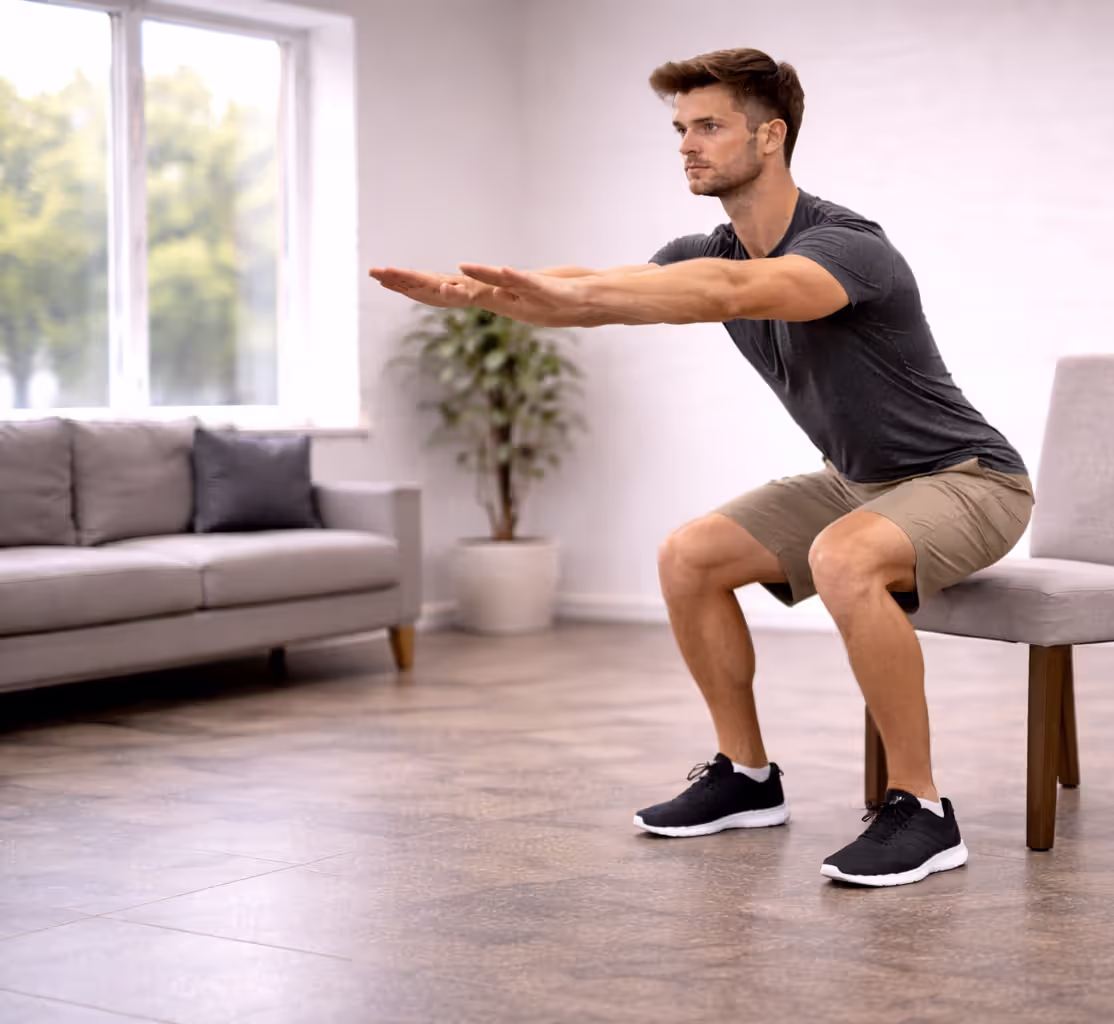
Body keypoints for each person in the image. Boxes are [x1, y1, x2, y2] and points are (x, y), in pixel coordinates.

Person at [369, 48, 1033, 888]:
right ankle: (746, 778)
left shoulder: (848, 248)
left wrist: (571, 299)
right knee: (690, 555)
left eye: (709, 126)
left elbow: (724, 291)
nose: (687, 144)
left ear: (772, 135)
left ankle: (923, 810)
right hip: (856, 479)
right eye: (680, 128)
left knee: (844, 555)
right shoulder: (706, 244)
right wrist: (487, 291)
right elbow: (609, 282)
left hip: (970, 478)